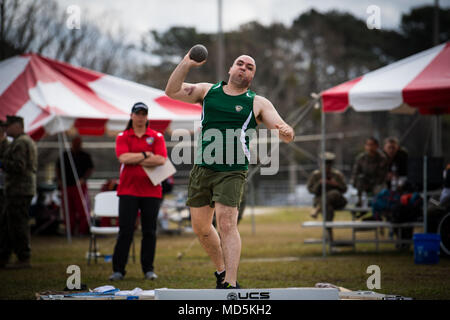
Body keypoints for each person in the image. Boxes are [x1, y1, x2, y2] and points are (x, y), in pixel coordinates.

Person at [165, 51, 294, 289]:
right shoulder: (207, 91)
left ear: (252, 75)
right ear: (230, 69)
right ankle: (221, 271)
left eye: (250, 67)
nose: (244, 68)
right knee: (202, 228)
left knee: (226, 223)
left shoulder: (258, 102)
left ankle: (231, 283)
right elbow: (171, 91)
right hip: (203, 168)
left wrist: (286, 131)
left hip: (232, 170)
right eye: (240, 64)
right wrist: (187, 63)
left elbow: (284, 131)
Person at [109, 102, 167, 281]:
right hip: (128, 191)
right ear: (132, 116)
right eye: (137, 113)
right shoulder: (123, 136)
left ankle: (148, 269)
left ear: (147, 116)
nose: (140, 117)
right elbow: (123, 157)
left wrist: (135, 159)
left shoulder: (156, 136)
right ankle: (118, 270)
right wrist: (145, 155)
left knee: (149, 231)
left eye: (144, 114)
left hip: (151, 191)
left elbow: (161, 160)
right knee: (125, 231)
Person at [0, 116, 37, 269]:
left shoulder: (22, 142)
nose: (6, 129)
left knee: (18, 225)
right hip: (18, 189)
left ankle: (23, 257)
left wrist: (2, 164)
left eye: (8, 126)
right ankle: (7, 256)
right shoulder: (21, 141)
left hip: (20, 189)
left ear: (17, 126)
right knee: (10, 223)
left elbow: (18, 166)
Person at [56, 136, 94, 236]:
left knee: (82, 209)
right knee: (68, 209)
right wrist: (60, 180)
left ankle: (83, 230)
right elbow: (58, 168)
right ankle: (70, 230)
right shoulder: (65, 155)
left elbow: (90, 169)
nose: (77, 145)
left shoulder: (85, 155)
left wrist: (83, 179)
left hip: (80, 186)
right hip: (67, 185)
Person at [306, 152, 347, 241]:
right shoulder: (316, 175)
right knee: (328, 208)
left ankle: (317, 209)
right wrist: (319, 183)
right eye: (325, 163)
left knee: (334, 193)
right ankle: (329, 235)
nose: (327, 166)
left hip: (337, 201)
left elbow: (344, 189)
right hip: (321, 200)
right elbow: (311, 190)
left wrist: (335, 184)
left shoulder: (337, 174)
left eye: (329, 164)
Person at [351, 137, 387, 207]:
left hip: (377, 183)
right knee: (360, 179)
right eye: (368, 145)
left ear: (377, 146)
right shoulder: (361, 158)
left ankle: (374, 203)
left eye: (372, 145)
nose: (370, 147)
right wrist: (355, 182)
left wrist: (373, 183)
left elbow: (382, 175)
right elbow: (355, 173)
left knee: (378, 189)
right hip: (364, 182)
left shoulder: (382, 158)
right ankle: (359, 201)